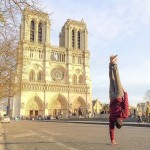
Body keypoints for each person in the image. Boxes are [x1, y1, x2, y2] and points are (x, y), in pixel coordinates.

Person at [109, 55, 129, 146]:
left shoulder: (125, 115)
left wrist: (125, 93)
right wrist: (112, 140)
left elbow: (126, 104)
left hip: (118, 97)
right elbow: (111, 129)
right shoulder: (112, 118)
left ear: (121, 121)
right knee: (111, 80)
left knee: (117, 79)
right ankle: (110, 63)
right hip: (112, 98)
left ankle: (115, 64)